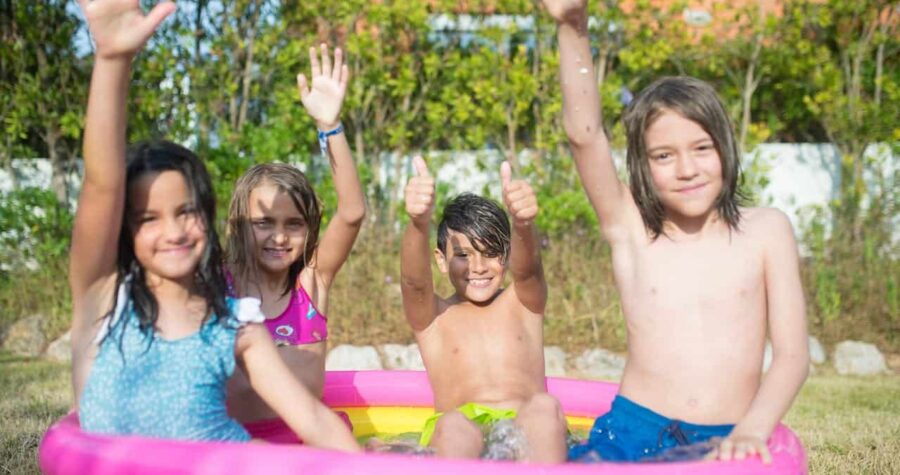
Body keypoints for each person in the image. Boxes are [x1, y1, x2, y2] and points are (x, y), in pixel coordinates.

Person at [69, 0, 359, 452]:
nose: (174, 231)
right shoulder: (103, 297)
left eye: (187, 212)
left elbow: (313, 420)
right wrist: (112, 61)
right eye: (148, 219)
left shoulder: (235, 325)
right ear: (125, 229)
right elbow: (102, 184)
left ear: (206, 216)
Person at [541, 0, 810, 463]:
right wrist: (573, 26)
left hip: (725, 432)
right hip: (631, 432)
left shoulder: (766, 231)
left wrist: (751, 431)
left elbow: (791, 356)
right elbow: (585, 135)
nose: (687, 168)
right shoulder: (631, 229)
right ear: (642, 167)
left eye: (701, 148)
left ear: (725, 146)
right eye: (664, 156)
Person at [223, 43, 365, 441]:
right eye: (264, 222)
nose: (280, 236)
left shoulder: (311, 284)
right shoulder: (218, 285)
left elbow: (352, 212)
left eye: (294, 224)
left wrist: (330, 126)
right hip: (239, 446)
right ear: (238, 223)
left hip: (309, 443)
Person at [400, 157, 567, 462]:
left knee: (545, 408)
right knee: (452, 425)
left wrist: (523, 224)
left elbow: (528, 270)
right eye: (463, 255)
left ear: (507, 255)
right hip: (461, 431)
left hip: (524, 425)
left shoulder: (522, 303)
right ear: (440, 260)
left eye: (491, 254)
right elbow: (414, 284)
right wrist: (418, 223)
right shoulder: (434, 318)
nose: (477, 267)